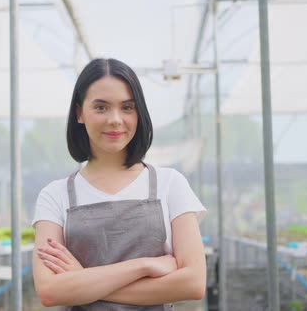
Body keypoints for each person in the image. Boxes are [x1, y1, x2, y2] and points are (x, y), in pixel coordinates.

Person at [32, 58, 207, 310]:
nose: (115, 119)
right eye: (101, 107)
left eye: (127, 107)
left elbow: (193, 283)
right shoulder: (54, 195)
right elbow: (50, 291)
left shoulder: (171, 184)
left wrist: (83, 281)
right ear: (80, 112)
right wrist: (143, 266)